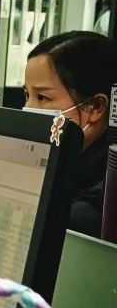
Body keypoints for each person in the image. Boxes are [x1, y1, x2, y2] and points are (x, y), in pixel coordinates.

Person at [24, 31, 116, 238]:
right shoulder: (59, 159)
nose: (28, 108)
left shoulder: (103, 197)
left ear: (95, 107)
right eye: (27, 95)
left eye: (42, 97)